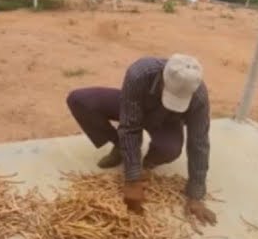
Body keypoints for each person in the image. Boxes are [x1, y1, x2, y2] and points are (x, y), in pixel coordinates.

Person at [66, 54, 217, 225]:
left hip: (167, 120)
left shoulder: (198, 96)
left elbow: (199, 142)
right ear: (162, 79)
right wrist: (132, 179)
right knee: (80, 100)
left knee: (170, 149)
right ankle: (120, 146)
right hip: (134, 105)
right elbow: (130, 126)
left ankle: (147, 163)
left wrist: (196, 196)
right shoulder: (140, 73)